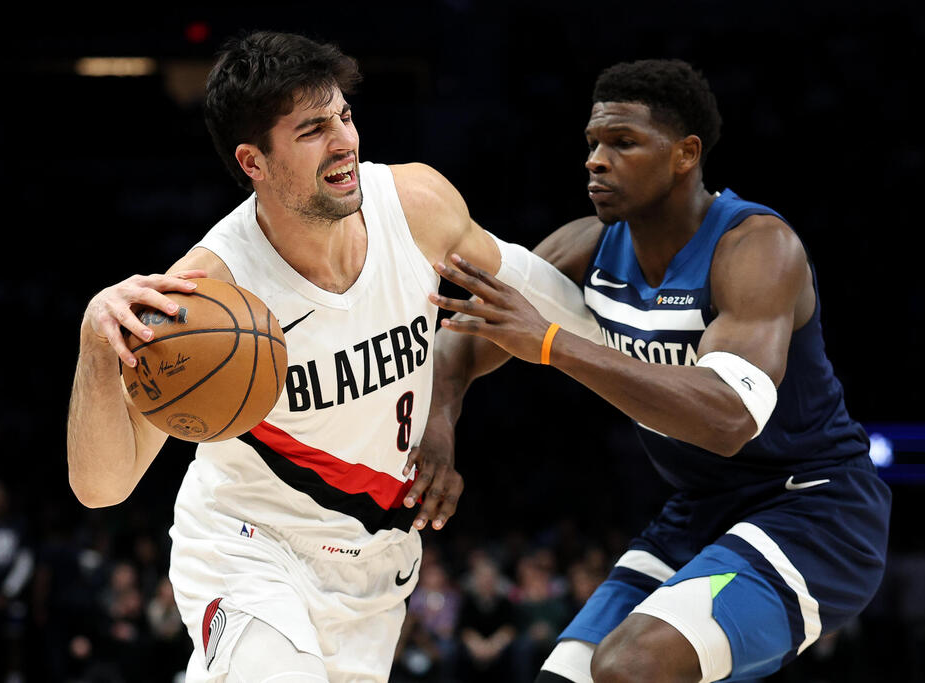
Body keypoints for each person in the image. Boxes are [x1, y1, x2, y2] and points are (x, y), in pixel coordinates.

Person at [66, 30, 593, 682]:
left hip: (376, 566)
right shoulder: (206, 296)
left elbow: (525, 288)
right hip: (250, 550)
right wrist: (97, 336)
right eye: (313, 129)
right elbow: (101, 486)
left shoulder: (415, 205)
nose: (345, 139)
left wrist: (647, 351)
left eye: (344, 115)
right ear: (253, 161)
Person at [417, 59, 892, 682]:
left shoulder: (755, 248)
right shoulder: (583, 247)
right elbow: (461, 344)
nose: (595, 159)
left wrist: (555, 343)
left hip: (814, 513)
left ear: (685, 154)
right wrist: (439, 432)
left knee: (633, 666)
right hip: (700, 510)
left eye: (623, 142)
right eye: (592, 143)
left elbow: (728, 417)